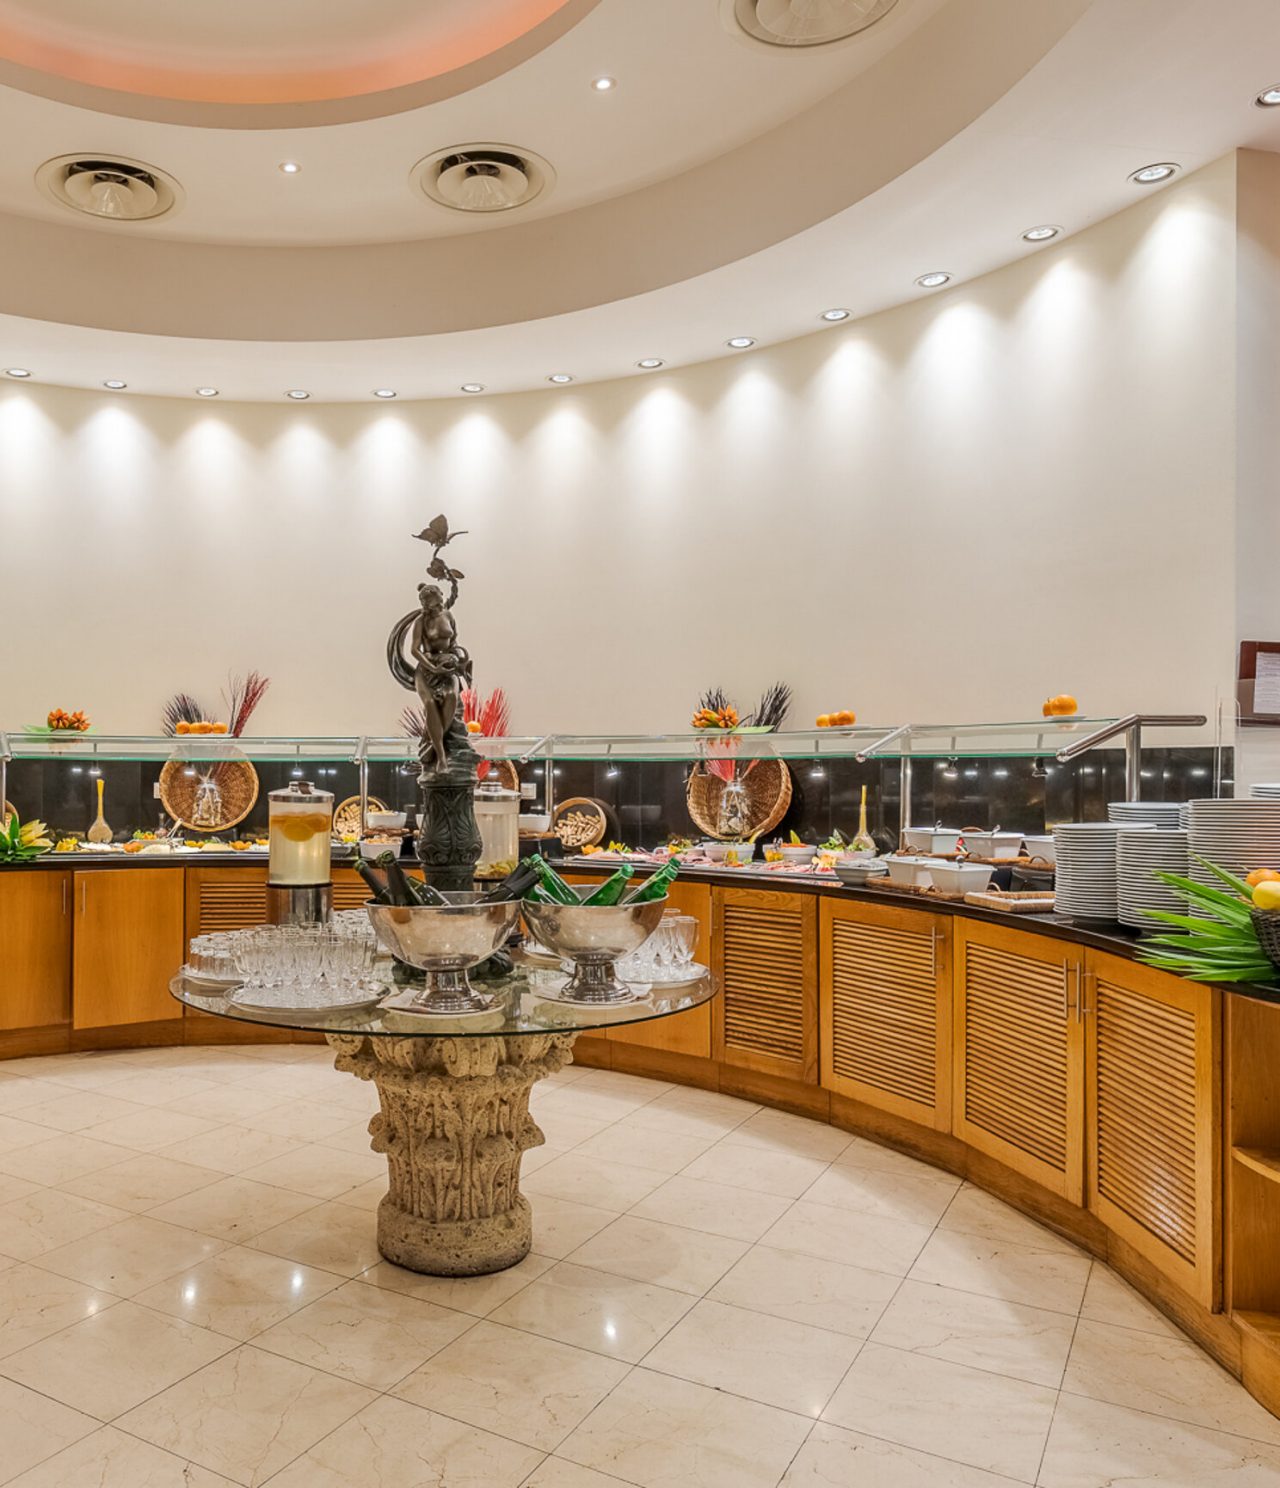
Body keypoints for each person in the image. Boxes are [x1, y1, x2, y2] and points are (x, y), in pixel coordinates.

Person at [409, 583, 472, 774]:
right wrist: (432, 667)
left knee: (452, 696)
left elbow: (454, 642)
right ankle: (441, 757)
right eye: (427, 599)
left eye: (435, 596)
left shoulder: (448, 615)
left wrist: (458, 657)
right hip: (427, 668)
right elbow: (414, 649)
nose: (436, 600)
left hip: (446, 666)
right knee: (430, 703)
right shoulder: (421, 621)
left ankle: (431, 744)